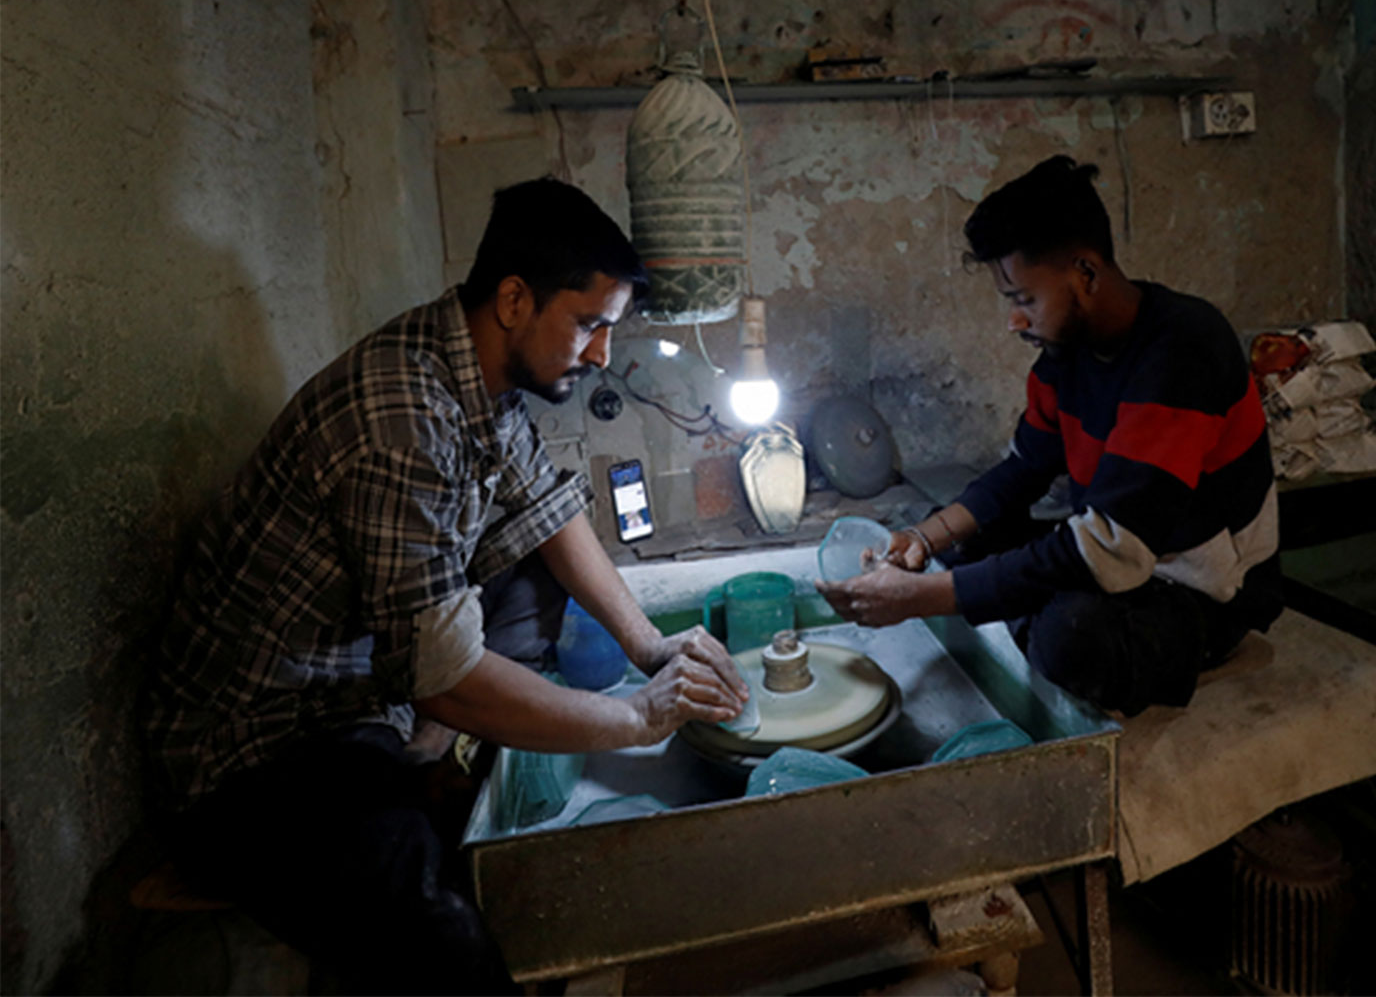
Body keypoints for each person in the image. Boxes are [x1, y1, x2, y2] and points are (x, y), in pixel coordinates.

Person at [145, 178, 747, 994]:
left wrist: (649, 646)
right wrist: (635, 720)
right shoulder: (400, 417)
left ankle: (446, 736)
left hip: (356, 680)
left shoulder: (476, 375)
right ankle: (441, 754)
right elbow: (439, 672)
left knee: (537, 568)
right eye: (589, 325)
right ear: (512, 299)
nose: (603, 352)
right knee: (431, 913)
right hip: (260, 747)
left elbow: (546, 511)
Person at [816, 155, 1281, 716]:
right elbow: (1023, 470)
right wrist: (923, 537)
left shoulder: (1180, 352)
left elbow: (1114, 548)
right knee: (966, 534)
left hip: (1201, 591)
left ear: (1085, 273)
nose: (1014, 320)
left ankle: (1033, 620)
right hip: (1121, 558)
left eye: (1023, 299)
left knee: (1071, 637)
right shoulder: (1066, 356)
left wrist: (924, 600)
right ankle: (1016, 605)